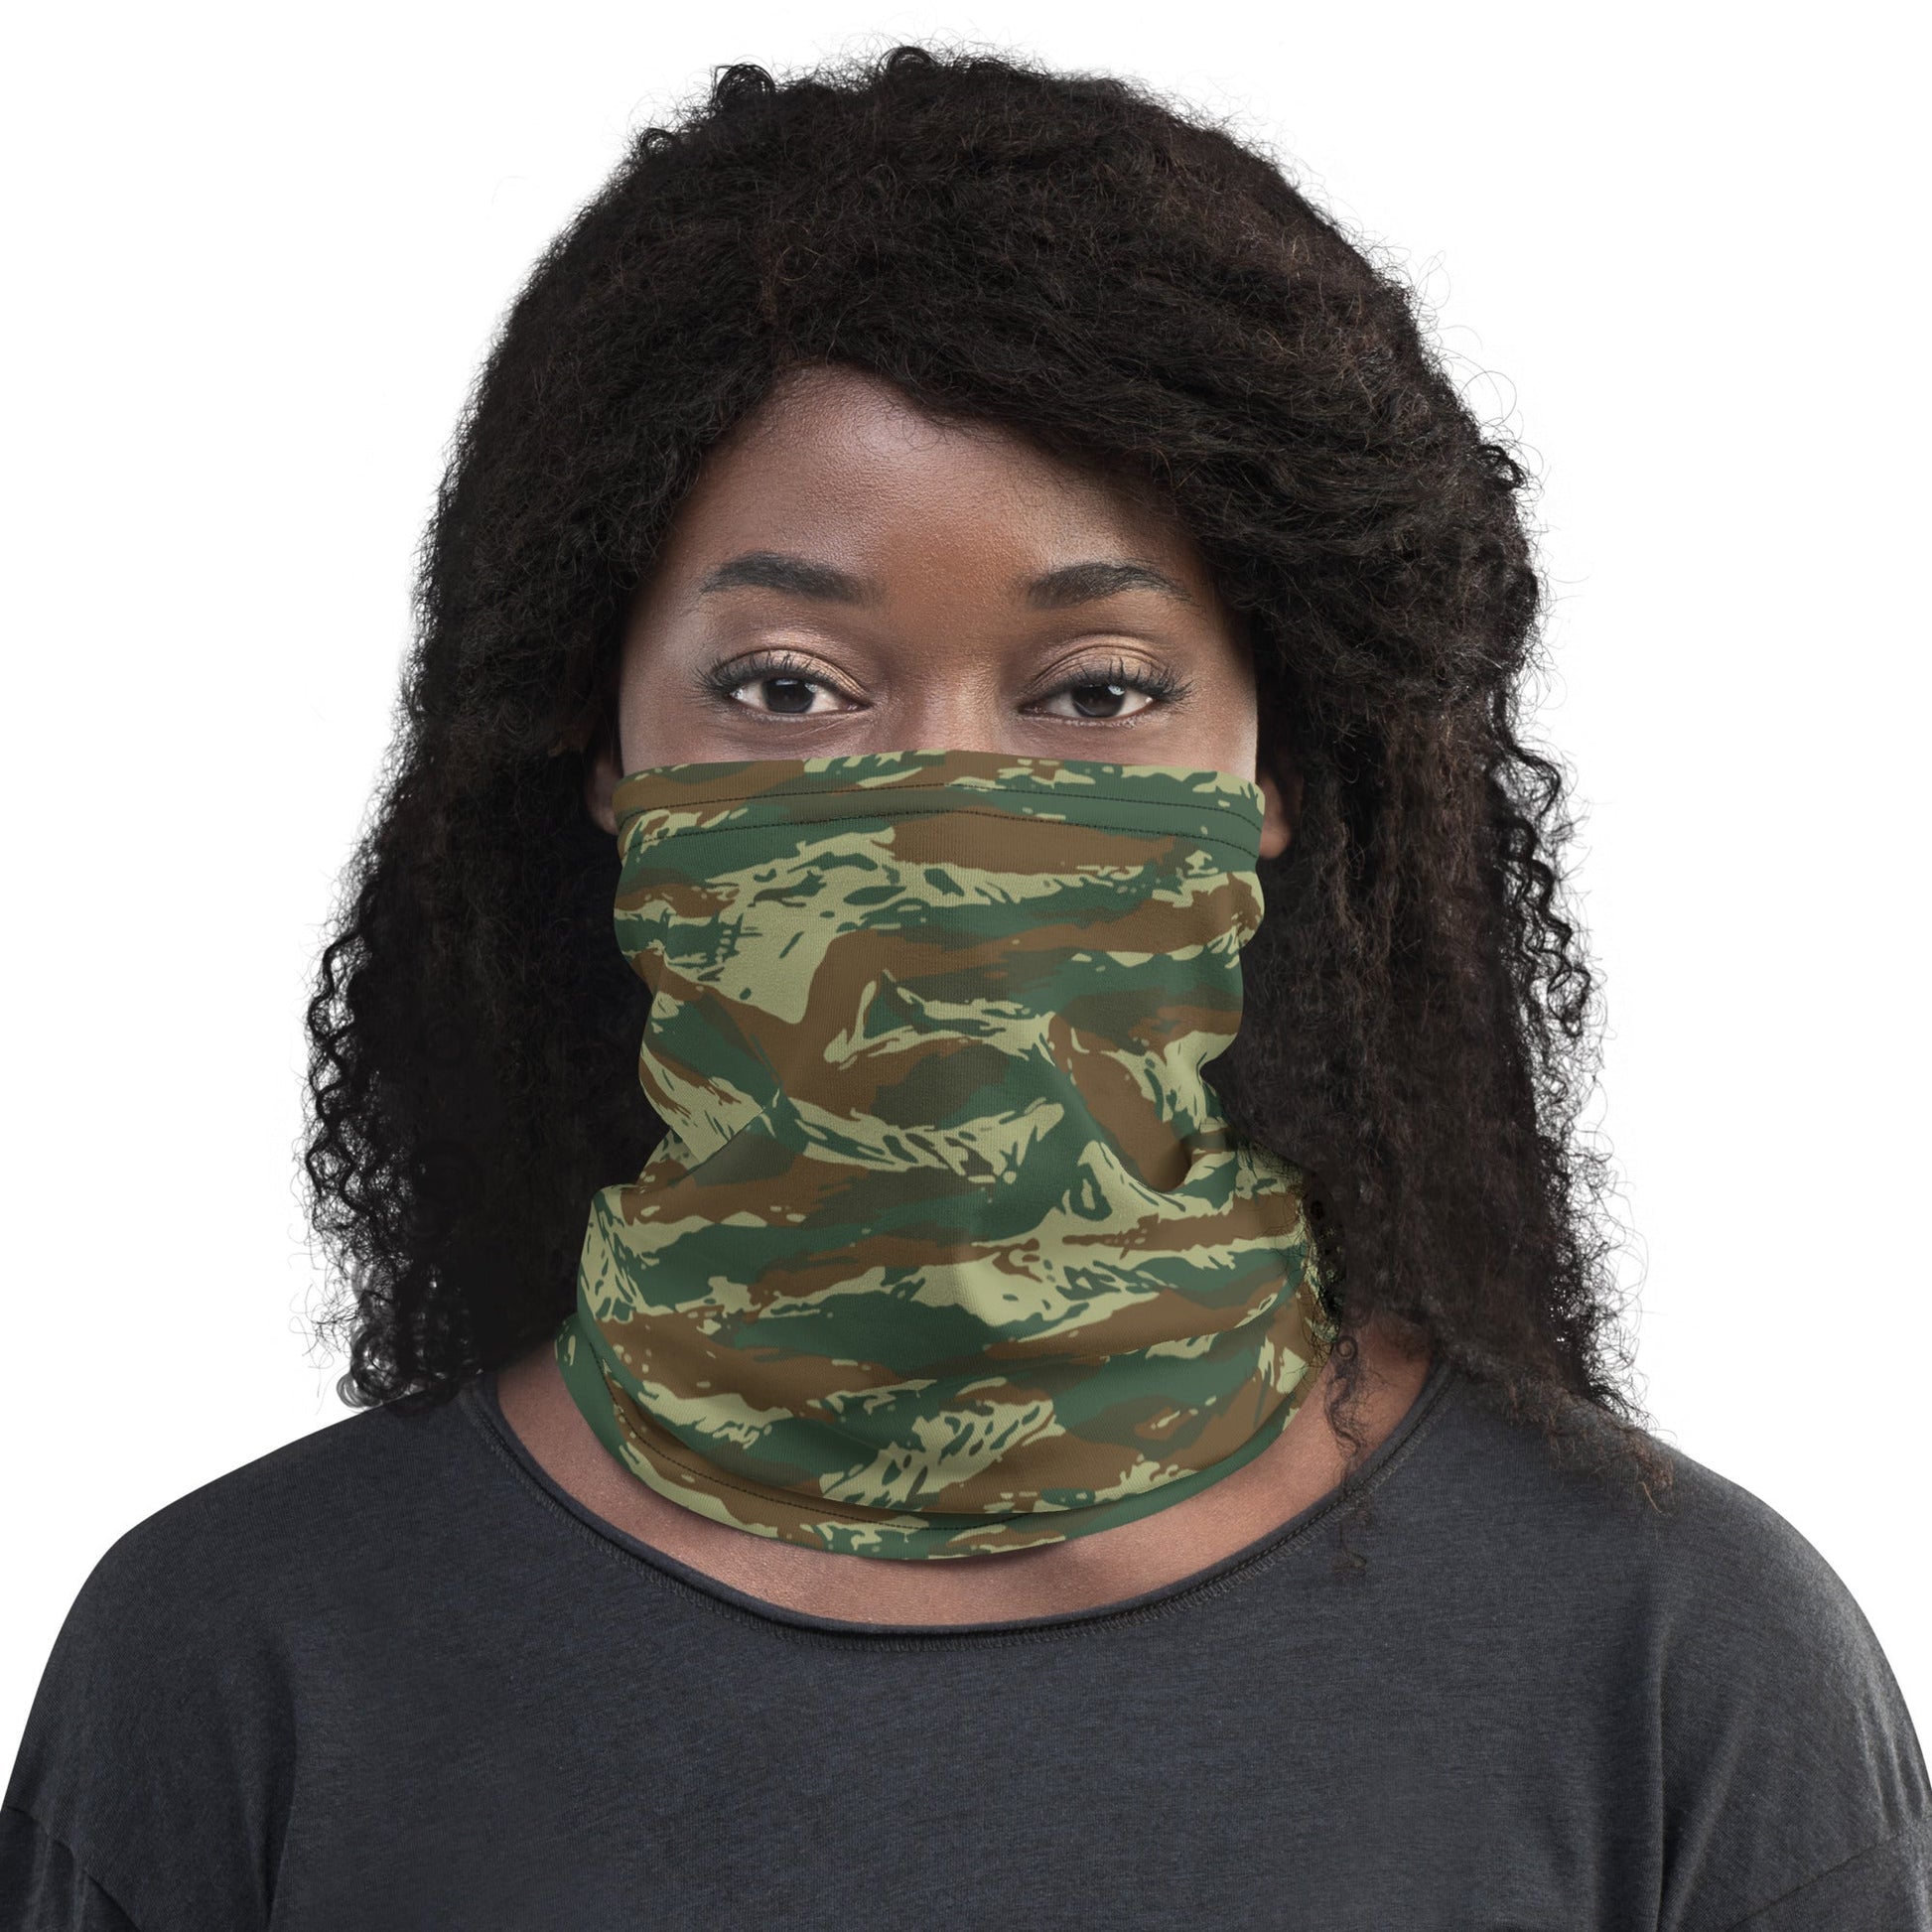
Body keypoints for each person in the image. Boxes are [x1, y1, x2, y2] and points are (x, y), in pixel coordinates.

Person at [4, 43, 1926, 1931]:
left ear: (1275, 768)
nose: (935, 810)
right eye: (785, 687)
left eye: (1095, 691)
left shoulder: (1671, 1673)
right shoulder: (238, 1672)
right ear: (597, 744)